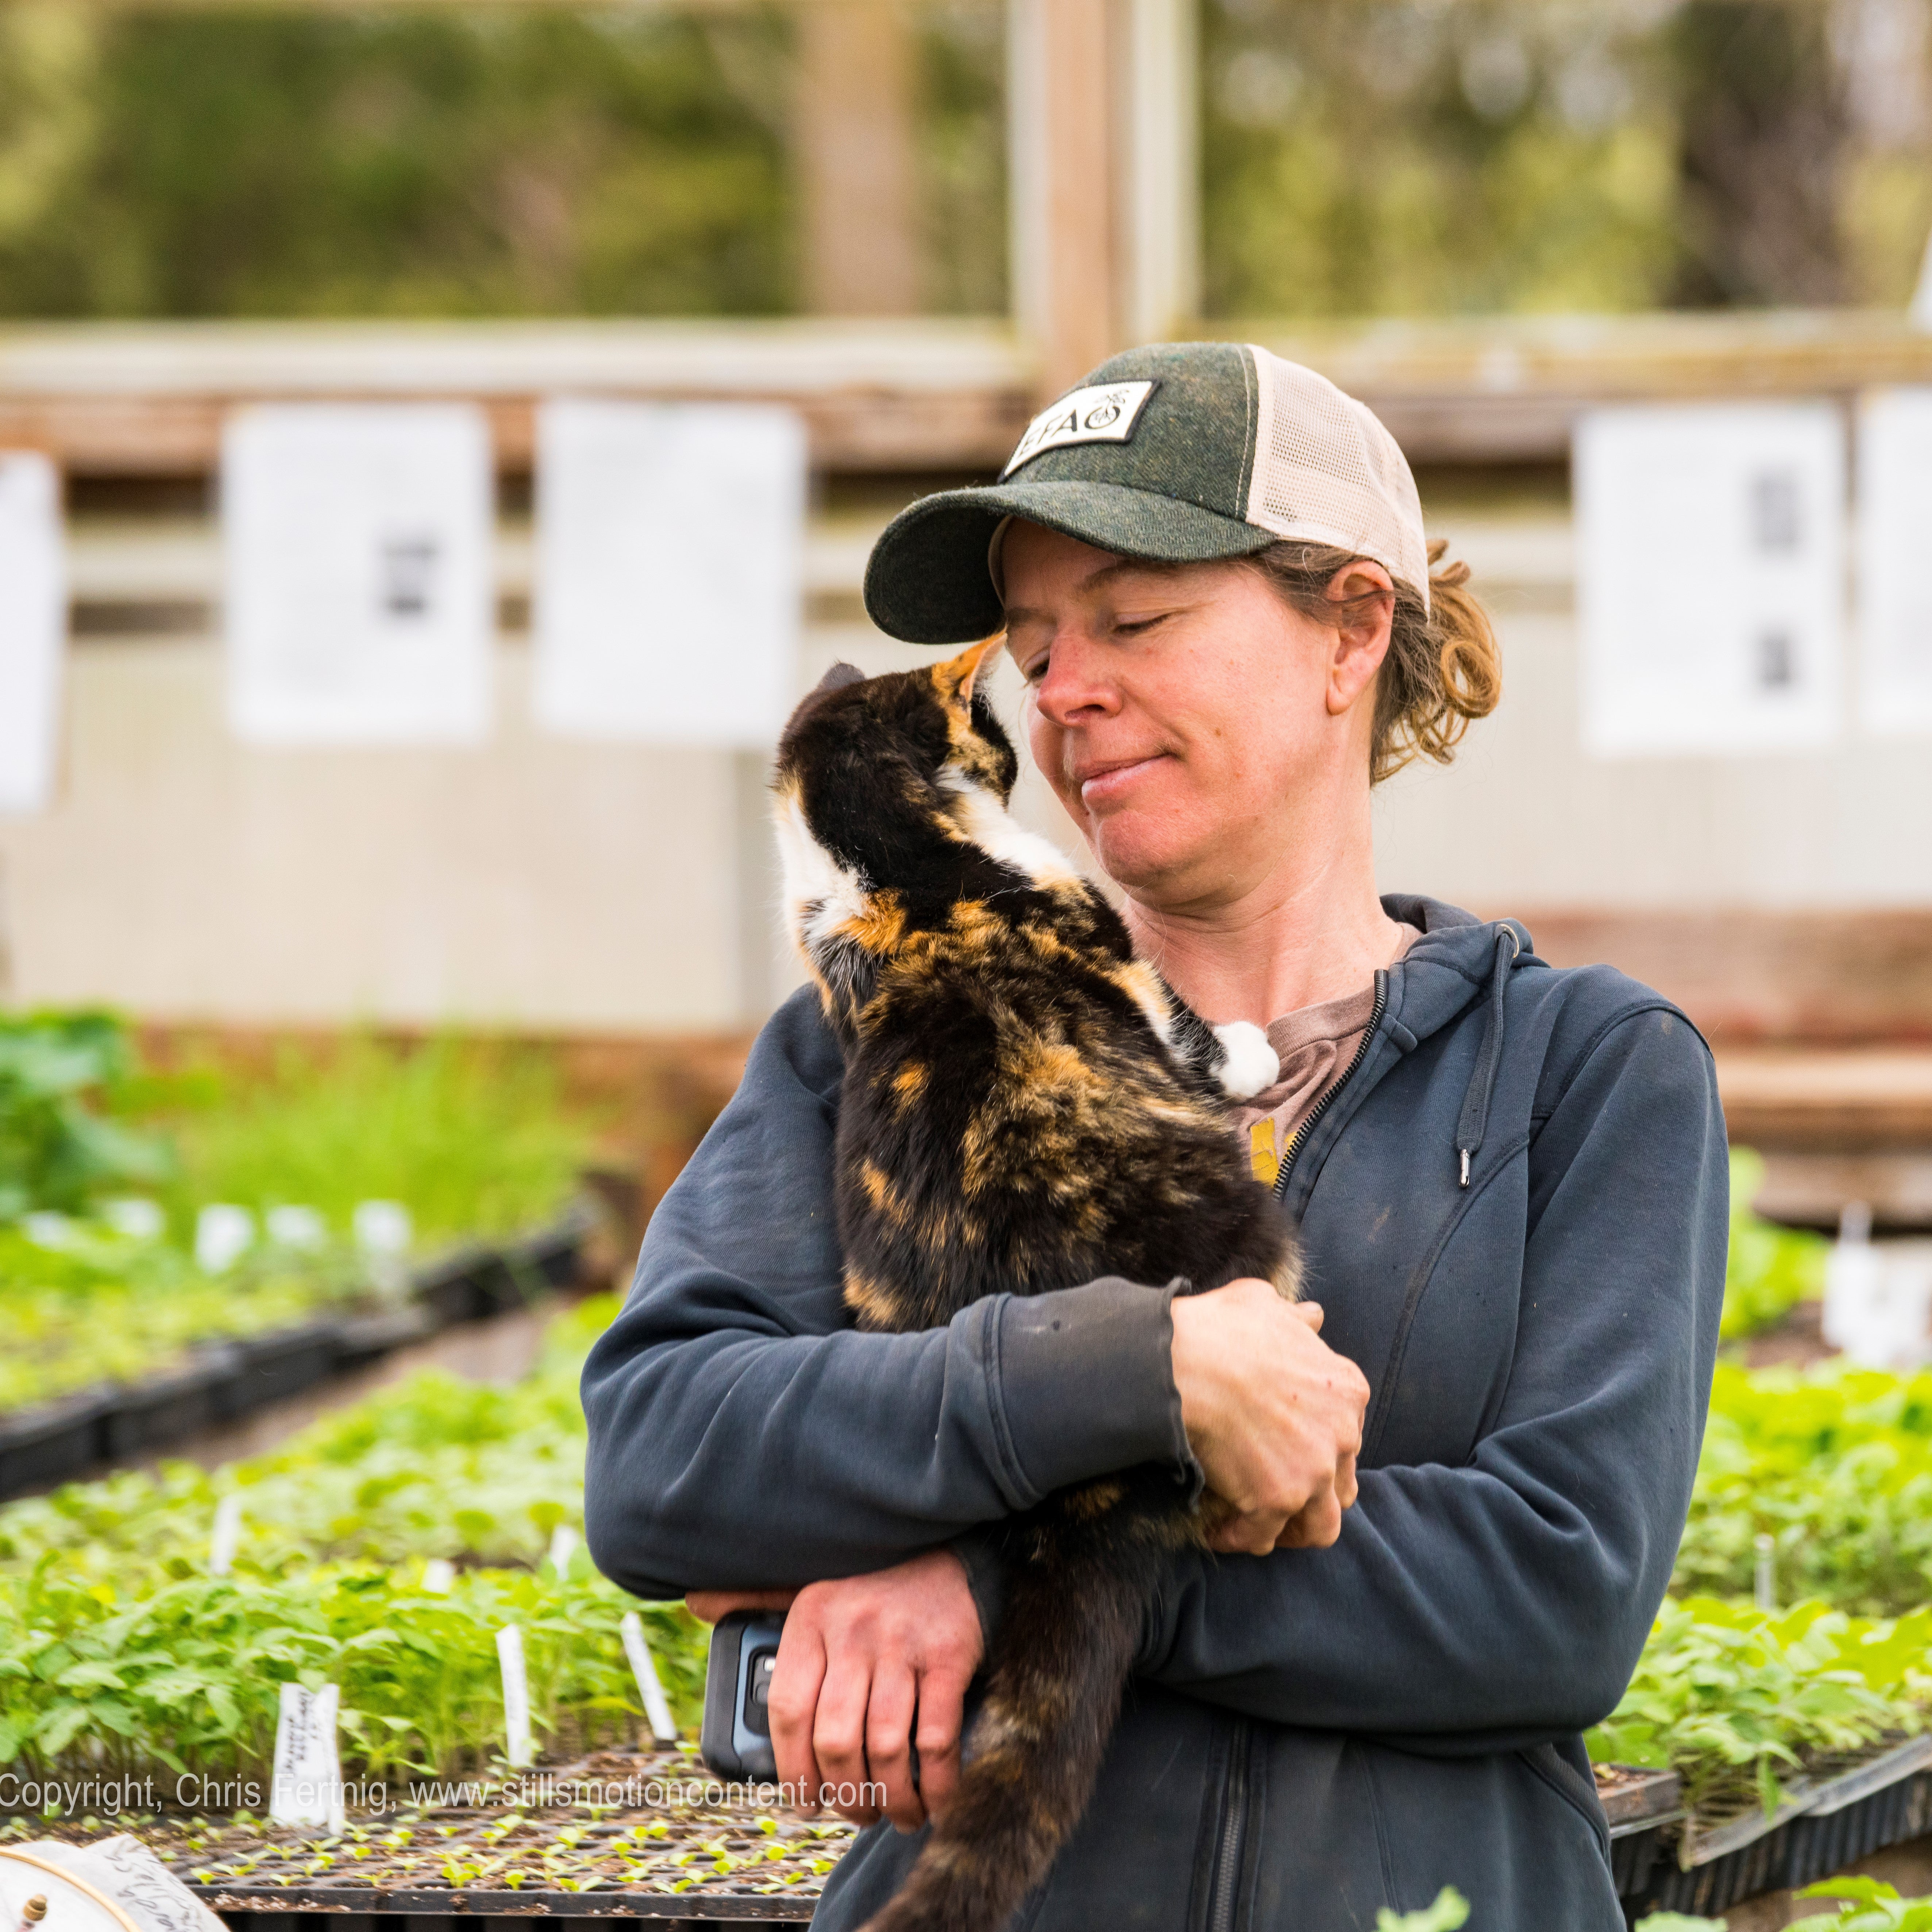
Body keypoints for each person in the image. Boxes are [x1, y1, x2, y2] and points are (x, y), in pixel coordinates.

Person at [581, 341, 1728, 1932]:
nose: (1062, 692)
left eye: (1134, 620)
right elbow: (662, 1454)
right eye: (1037, 647)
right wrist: (1129, 1375)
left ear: (1350, 629)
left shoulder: (1580, 1072)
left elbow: (1549, 1594)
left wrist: (990, 1577)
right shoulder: (889, 1031)